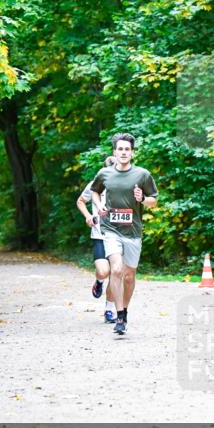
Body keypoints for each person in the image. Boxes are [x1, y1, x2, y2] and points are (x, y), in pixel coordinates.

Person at [88, 133, 158, 335]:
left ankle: (125, 310)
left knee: (129, 276)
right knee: (116, 269)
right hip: (111, 229)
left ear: (132, 152)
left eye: (127, 149)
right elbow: (94, 191)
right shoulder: (105, 173)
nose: (124, 152)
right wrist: (100, 205)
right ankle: (119, 315)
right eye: (120, 149)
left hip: (133, 232)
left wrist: (142, 198)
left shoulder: (142, 175)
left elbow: (154, 200)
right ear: (114, 152)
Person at [77, 155, 118, 323]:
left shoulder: (125, 186)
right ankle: (99, 281)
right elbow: (80, 201)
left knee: (115, 273)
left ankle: (109, 309)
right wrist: (88, 216)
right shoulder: (95, 186)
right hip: (99, 235)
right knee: (104, 271)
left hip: (118, 236)